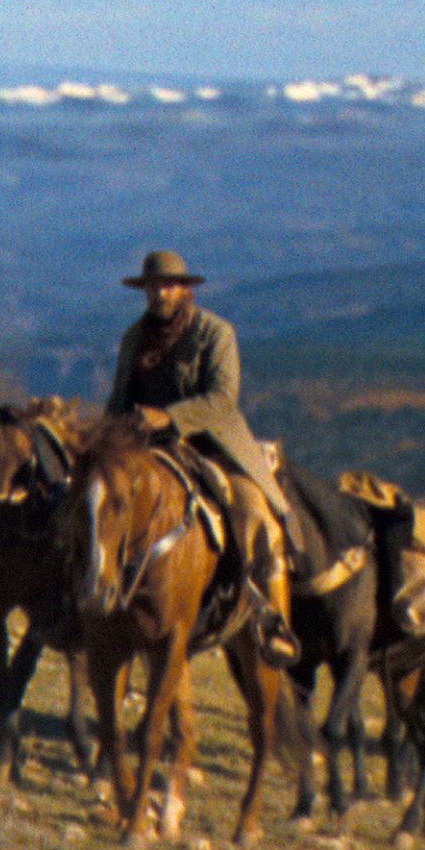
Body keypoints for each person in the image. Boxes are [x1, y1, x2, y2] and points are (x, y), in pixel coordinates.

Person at [102, 249, 301, 665]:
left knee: (254, 514)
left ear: (185, 289)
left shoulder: (215, 333)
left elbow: (223, 401)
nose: (161, 293)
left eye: (169, 285)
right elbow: (118, 401)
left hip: (212, 447)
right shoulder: (133, 339)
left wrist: (168, 417)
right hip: (147, 450)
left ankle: (273, 622)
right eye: (154, 286)